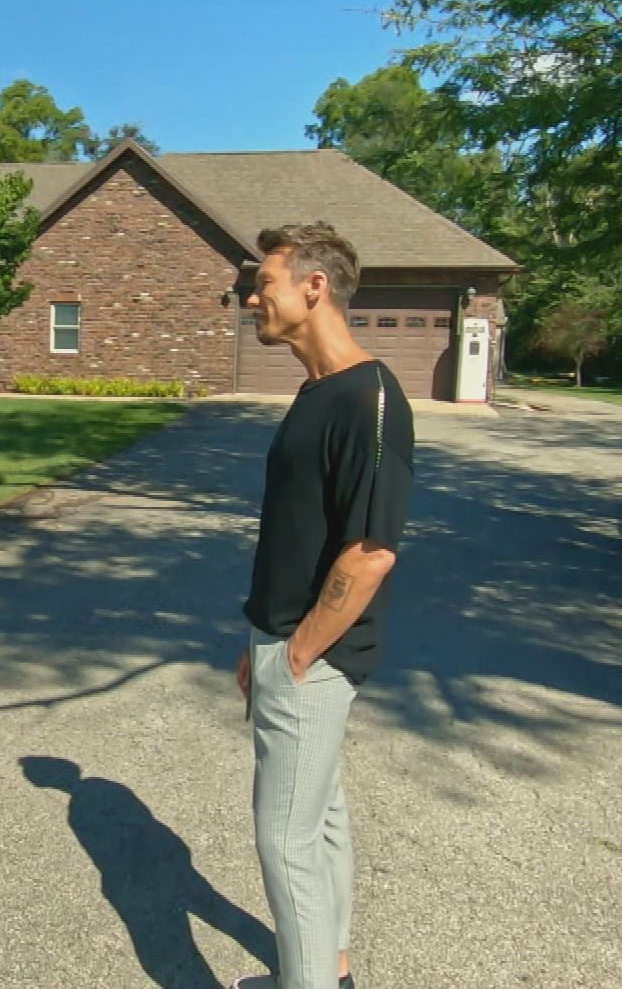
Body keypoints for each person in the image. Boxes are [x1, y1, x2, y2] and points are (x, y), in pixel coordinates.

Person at [230, 223, 416, 989]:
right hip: (282, 640)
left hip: (314, 657)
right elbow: (300, 534)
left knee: (286, 841)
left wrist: (299, 652)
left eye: (264, 283)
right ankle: (329, 967)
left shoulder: (367, 397)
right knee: (322, 817)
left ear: (314, 287)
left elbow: (369, 550)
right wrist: (259, 638)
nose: (251, 297)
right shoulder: (318, 392)